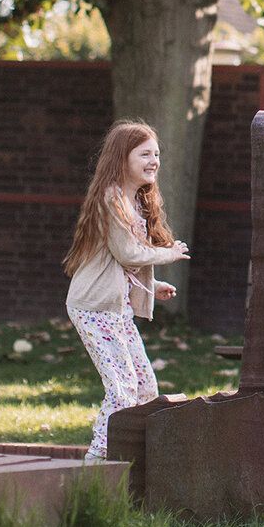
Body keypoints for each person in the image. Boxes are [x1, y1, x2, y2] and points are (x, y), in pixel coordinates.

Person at [63, 120, 190, 461]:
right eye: (145, 154)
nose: (154, 161)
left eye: (157, 154)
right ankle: (98, 462)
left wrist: (153, 285)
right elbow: (129, 253)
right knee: (121, 391)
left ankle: (132, 458)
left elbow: (118, 264)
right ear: (123, 159)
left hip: (116, 309)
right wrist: (170, 254)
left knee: (146, 388)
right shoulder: (111, 198)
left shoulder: (135, 202)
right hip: (93, 307)